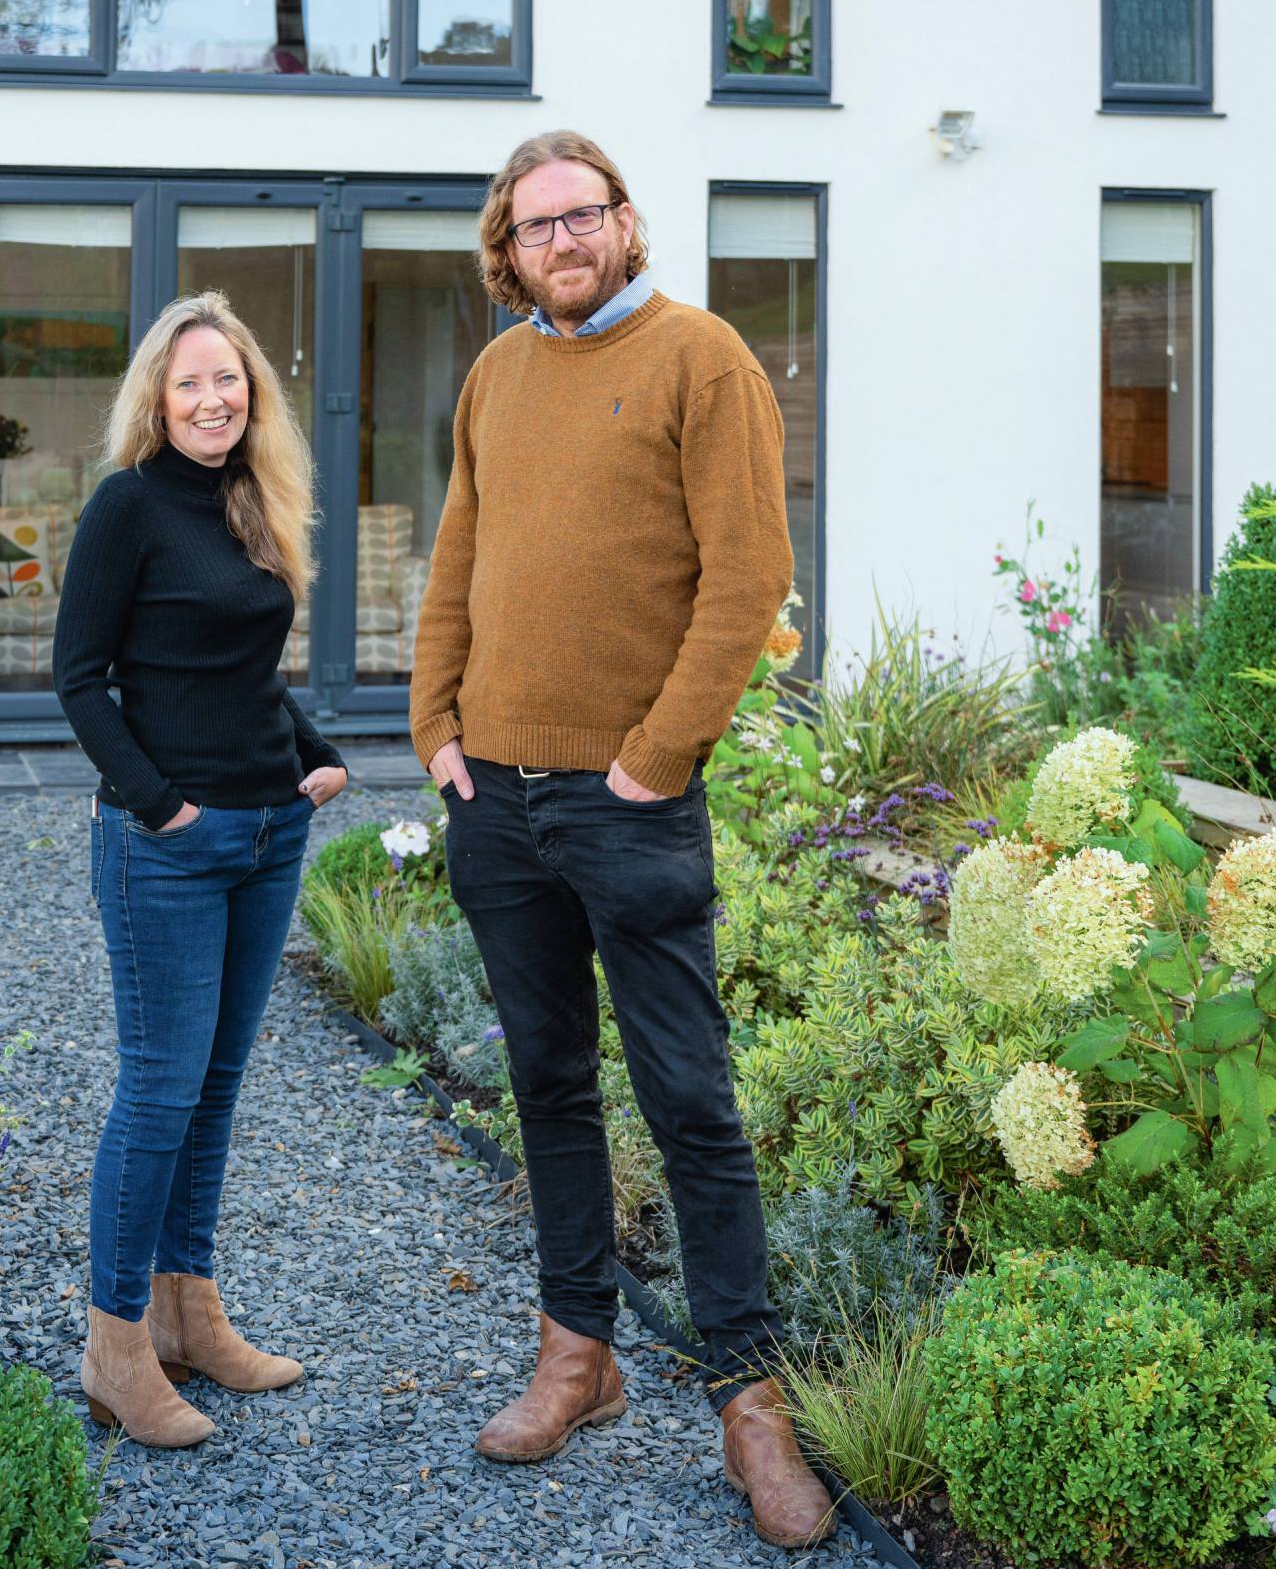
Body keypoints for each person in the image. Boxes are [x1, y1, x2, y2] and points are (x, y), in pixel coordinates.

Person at [407, 130, 835, 1550]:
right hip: (500, 801)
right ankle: (575, 1358)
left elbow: (752, 573)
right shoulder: (497, 374)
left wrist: (656, 759)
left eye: (582, 215)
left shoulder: (703, 360)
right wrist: (435, 729)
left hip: (629, 800)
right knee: (548, 1086)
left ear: (626, 223)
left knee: (692, 1103)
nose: (562, 241)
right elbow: (458, 555)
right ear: (507, 252)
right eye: (534, 227)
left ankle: (748, 1403)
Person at [55, 290, 351, 1448]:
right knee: (158, 1091)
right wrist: (162, 808)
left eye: (228, 381)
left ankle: (190, 1313)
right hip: (168, 852)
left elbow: (240, 671)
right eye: (189, 383)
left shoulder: (249, 503)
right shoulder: (126, 506)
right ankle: (115, 1346)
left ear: (252, 395)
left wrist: (314, 760)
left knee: (215, 1089)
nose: (212, 399)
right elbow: (81, 679)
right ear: (156, 398)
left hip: (268, 835)